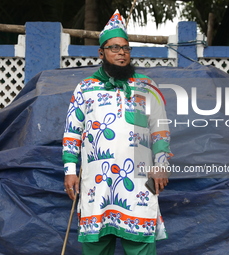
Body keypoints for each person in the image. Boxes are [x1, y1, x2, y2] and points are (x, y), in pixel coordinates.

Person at [62, 10, 173, 255]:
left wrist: (161, 164)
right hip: (96, 183)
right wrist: (70, 171)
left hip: (138, 182)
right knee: (96, 247)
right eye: (114, 48)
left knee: (141, 246)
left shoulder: (146, 86)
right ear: (101, 52)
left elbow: (160, 129)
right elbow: (73, 132)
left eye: (125, 48)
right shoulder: (85, 88)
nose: (121, 53)